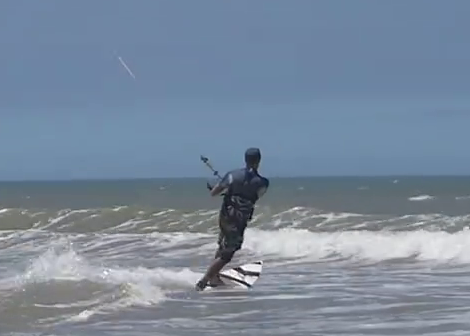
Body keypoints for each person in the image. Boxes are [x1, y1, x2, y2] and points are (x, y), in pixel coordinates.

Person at [195, 147, 270, 291]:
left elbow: (214, 193)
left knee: (223, 245)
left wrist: (227, 191)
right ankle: (203, 282)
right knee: (227, 254)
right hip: (239, 220)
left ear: (245, 159)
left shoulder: (231, 175)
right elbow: (257, 196)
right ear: (259, 161)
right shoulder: (263, 182)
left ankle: (214, 276)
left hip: (225, 216)